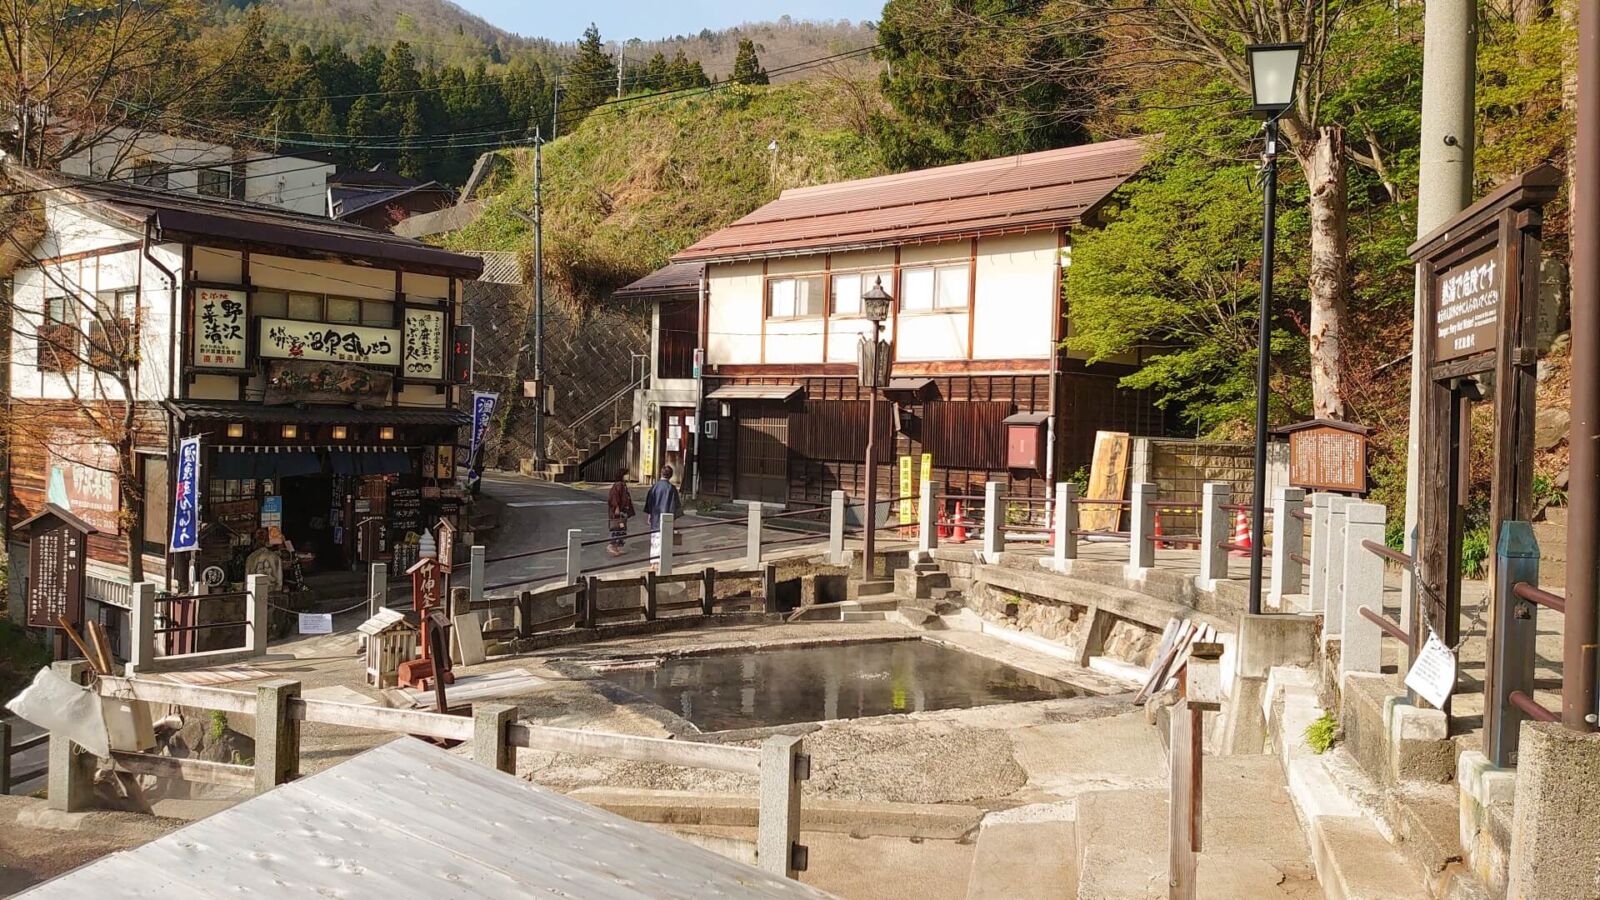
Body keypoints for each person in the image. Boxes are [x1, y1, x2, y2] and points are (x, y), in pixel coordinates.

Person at [644, 465, 683, 566]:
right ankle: (662, 561)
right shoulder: (671, 488)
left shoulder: (654, 487)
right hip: (667, 517)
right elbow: (675, 506)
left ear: (661, 473)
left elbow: (649, 502)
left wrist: (649, 515)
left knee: (655, 540)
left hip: (655, 517)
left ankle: (654, 562)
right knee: (665, 540)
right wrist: (674, 520)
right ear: (670, 475)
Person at [606, 469, 635, 556]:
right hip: (618, 511)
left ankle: (616, 547)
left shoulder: (622, 485)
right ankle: (612, 545)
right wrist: (617, 508)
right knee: (617, 528)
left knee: (622, 529)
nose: (627, 476)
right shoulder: (618, 485)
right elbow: (614, 497)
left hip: (623, 510)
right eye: (626, 474)